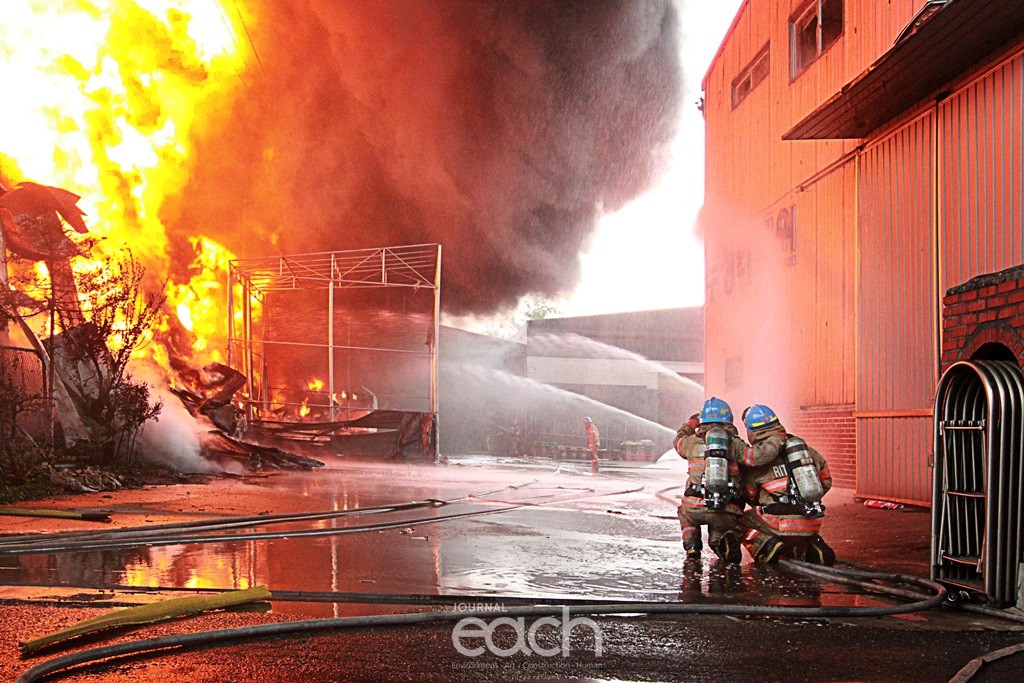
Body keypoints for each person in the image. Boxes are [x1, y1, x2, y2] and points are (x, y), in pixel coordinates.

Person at [674, 397, 786, 563]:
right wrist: (777, 439)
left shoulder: (690, 443)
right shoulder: (734, 443)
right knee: (720, 536)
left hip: (694, 507)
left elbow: (677, 441)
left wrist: (690, 424)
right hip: (726, 508)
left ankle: (692, 547)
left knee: (685, 515)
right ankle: (721, 545)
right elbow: (755, 457)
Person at [737, 404, 835, 565]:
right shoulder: (804, 449)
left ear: (751, 430)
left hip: (778, 523)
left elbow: (751, 495)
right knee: (796, 527)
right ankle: (811, 545)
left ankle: (767, 545)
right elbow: (826, 480)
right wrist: (805, 498)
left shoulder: (757, 459)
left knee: (737, 522)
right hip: (811, 519)